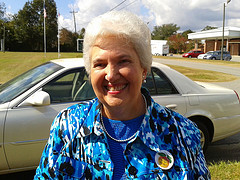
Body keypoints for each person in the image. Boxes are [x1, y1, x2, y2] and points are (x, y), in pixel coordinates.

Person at [34, 11, 210, 179]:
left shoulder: (183, 134)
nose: (110, 74)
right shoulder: (67, 126)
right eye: (100, 64)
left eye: (123, 61)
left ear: (144, 69)